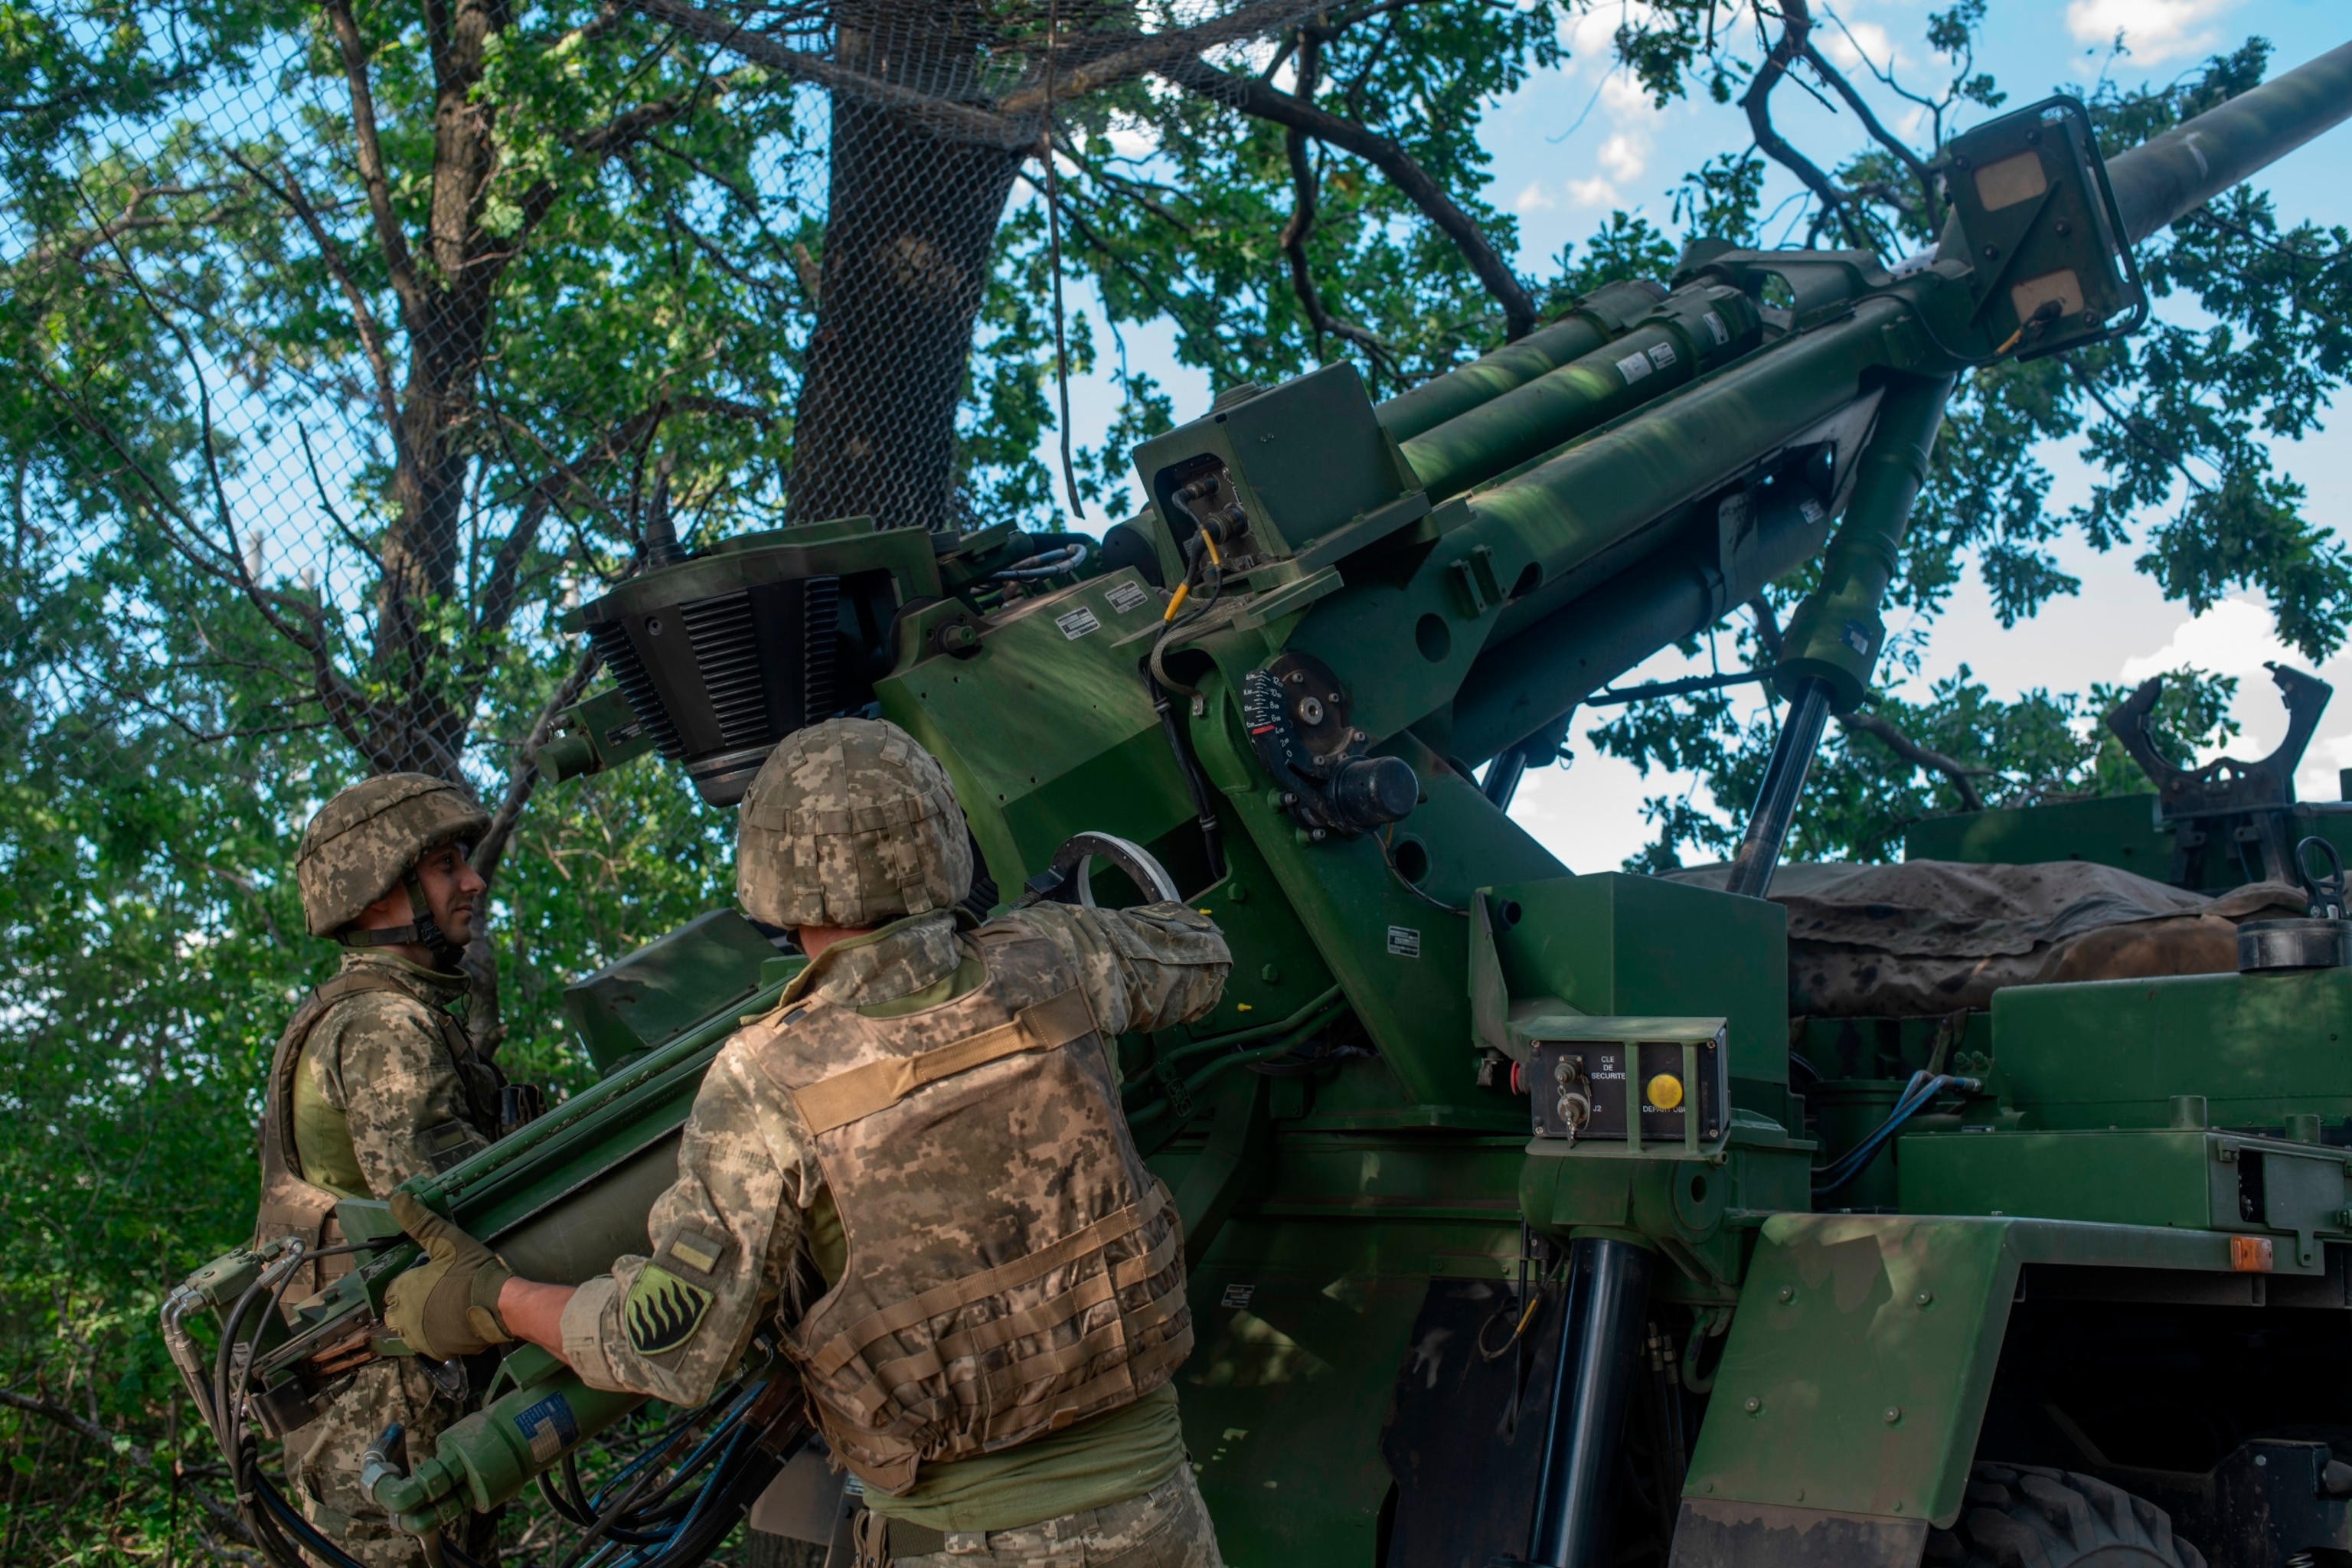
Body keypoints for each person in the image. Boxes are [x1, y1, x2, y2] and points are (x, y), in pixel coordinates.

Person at [386, 717, 1234, 1568]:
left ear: (771, 875)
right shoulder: (1060, 958)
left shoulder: (765, 1078)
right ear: (940, 838)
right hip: (1158, 1517)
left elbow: (670, 1345)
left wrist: (496, 1300)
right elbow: (1201, 958)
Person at [260, 773, 509, 1566]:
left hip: (388, 1394)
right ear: (379, 894)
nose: (471, 880)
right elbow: (447, 1209)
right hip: (386, 1407)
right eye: (444, 865)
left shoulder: (372, 1008)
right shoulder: (382, 1024)